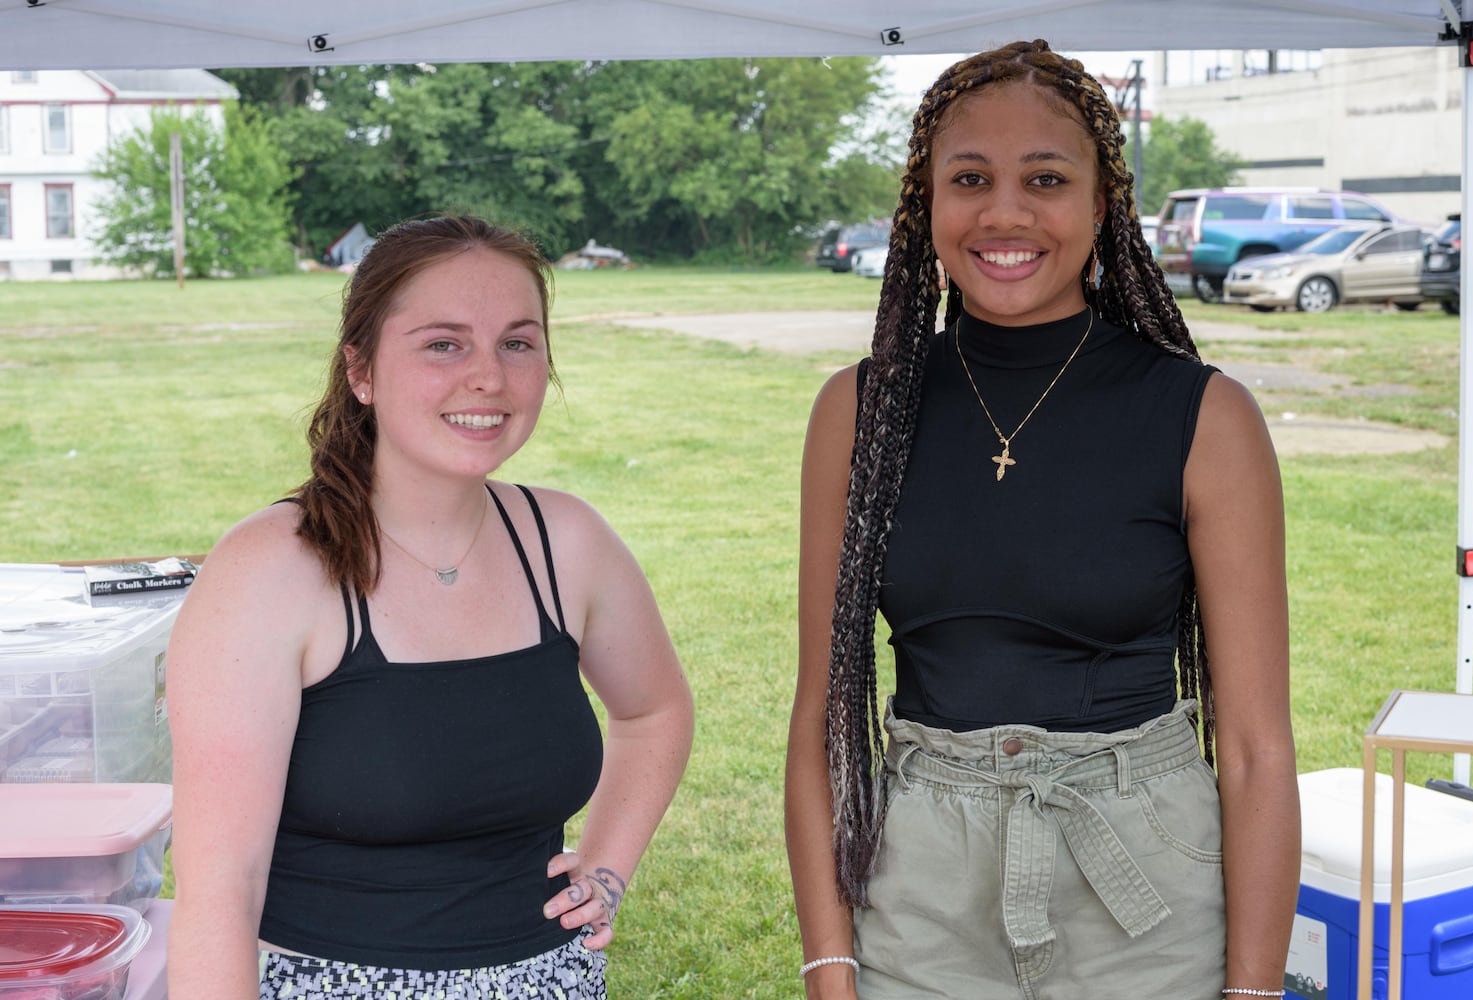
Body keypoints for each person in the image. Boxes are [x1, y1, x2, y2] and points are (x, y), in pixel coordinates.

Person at [785, 41, 1298, 1000]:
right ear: (925, 204)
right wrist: (829, 965)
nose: (1005, 212)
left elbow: (1261, 748)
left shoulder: (1204, 418)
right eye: (969, 177)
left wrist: (1255, 989)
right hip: (921, 891)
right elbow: (821, 719)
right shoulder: (859, 412)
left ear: (1102, 204)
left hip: (1145, 889)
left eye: (1046, 178)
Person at [167, 215, 694, 1000]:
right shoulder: (270, 570)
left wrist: (608, 868)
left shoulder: (568, 543)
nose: (489, 376)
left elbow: (656, 709)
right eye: (444, 343)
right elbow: (218, 898)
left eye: (517, 342)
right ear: (362, 370)